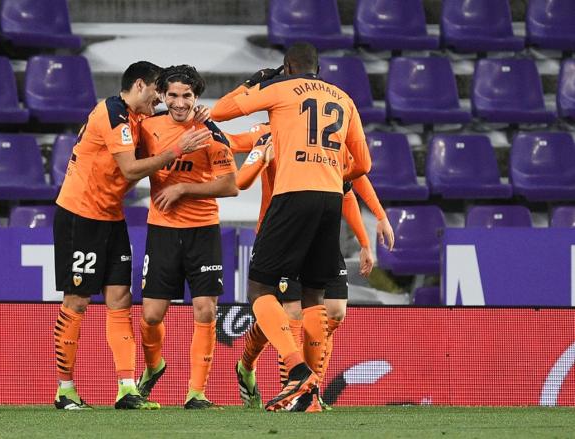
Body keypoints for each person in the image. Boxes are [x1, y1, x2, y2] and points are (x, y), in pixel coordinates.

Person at [211, 42, 372, 411]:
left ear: (286, 66)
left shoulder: (279, 88)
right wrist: (330, 171)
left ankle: (297, 371)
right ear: (318, 67)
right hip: (330, 199)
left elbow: (220, 112)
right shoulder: (343, 98)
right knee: (315, 296)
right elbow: (363, 163)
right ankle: (310, 398)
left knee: (259, 288)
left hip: (292, 196)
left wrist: (256, 81)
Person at [53, 61, 212, 410]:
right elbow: (130, 168)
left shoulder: (137, 118)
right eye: (158, 94)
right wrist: (176, 150)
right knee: (76, 301)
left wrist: (194, 122)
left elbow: (162, 137)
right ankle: (65, 390)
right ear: (141, 85)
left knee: (120, 299)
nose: (159, 102)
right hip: (80, 215)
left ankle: (127, 389)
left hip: (111, 216)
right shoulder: (111, 112)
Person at [227, 123, 394, 410]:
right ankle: (297, 392)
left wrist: (369, 234)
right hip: (281, 234)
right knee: (291, 313)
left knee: (335, 313)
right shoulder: (268, 132)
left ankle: (290, 382)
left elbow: (350, 183)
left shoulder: (325, 139)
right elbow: (231, 143)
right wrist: (198, 125)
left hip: (320, 232)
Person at [134, 65, 238, 409]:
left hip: (203, 231)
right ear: (162, 95)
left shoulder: (210, 132)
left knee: (206, 310)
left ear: (197, 97)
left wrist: (182, 189)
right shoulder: (147, 127)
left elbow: (230, 185)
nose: (180, 103)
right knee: (150, 315)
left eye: (187, 96)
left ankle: (197, 392)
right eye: (174, 95)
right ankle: (154, 366)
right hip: (162, 231)